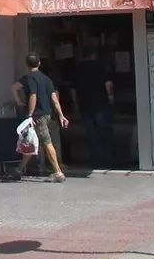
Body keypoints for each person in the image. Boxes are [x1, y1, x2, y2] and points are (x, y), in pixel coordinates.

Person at [17, 53, 70, 181]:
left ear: (27, 65)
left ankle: (58, 172)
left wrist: (30, 114)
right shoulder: (47, 79)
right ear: (39, 63)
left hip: (38, 116)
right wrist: (61, 115)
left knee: (46, 143)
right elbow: (55, 99)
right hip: (49, 115)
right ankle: (19, 169)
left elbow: (33, 95)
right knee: (30, 141)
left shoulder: (30, 78)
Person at [75, 43, 115, 170]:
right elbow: (108, 84)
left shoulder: (78, 68)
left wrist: (76, 104)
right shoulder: (100, 66)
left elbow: (73, 88)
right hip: (101, 104)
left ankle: (95, 160)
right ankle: (107, 160)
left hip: (85, 104)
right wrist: (111, 97)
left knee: (91, 134)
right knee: (105, 132)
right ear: (94, 54)